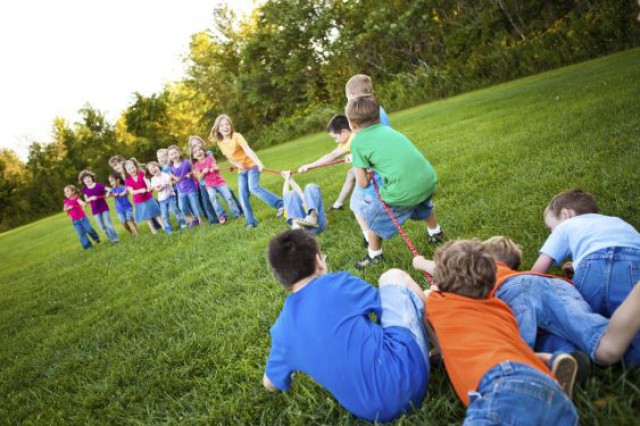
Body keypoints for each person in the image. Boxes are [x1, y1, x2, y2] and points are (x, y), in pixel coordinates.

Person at [263, 229, 429, 422]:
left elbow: (269, 383)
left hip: (373, 413)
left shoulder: (281, 330)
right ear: (318, 261)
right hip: (410, 378)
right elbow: (384, 304)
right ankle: (440, 340)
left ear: (282, 279)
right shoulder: (339, 283)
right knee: (392, 278)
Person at [414, 240, 578, 424]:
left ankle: (550, 361)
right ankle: (549, 361)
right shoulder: (501, 308)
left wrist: (422, 268)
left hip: (501, 383)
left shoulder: (438, 302)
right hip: (550, 389)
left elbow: (423, 299)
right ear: (493, 280)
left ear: (440, 282)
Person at [483, 236, 640, 366]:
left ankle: (522, 370)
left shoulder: (483, 271)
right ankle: (569, 356)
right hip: (558, 285)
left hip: (515, 289)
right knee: (582, 324)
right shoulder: (515, 273)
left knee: (518, 344)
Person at [347, 95, 442, 269]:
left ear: (352, 125)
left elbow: (362, 183)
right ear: (378, 116)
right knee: (419, 199)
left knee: (370, 216)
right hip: (428, 181)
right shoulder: (389, 130)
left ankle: (374, 255)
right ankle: (435, 232)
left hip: (404, 192)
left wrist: (360, 166)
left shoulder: (358, 142)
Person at [531, 189, 640, 317]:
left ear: (566, 214)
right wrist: (576, 265)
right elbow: (611, 249)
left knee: (583, 320)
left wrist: (527, 290)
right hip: (634, 263)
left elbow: (538, 269)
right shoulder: (618, 221)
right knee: (631, 320)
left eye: (550, 228)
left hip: (593, 267)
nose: (551, 233)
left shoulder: (566, 226)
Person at [210, 114, 284, 228]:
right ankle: (251, 222)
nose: (225, 127)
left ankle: (281, 204)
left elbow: (248, 150)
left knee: (253, 188)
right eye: (221, 125)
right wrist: (237, 164)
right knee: (242, 195)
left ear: (231, 125)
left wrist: (259, 163)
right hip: (241, 169)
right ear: (218, 128)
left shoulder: (237, 136)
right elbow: (229, 158)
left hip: (252, 165)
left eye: (227, 124)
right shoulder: (220, 142)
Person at [297, 115, 353, 210]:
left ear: (344, 131)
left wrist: (310, 165)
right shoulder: (347, 140)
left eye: (335, 138)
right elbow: (332, 154)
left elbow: (333, 156)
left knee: (356, 176)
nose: (336, 141)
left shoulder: (353, 138)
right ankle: (338, 205)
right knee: (352, 173)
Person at [190, 137, 242, 224]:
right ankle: (222, 216)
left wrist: (213, 169)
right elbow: (200, 178)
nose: (198, 152)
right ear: (193, 156)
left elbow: (216, 167)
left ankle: (236, 213)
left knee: (229, 197)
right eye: (195, 152)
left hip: (220, 183)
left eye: (199, 150)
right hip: (209, 185)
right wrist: (203, 172)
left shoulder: (209, 158)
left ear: (203, 150)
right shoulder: (196, 165)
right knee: (213, 197)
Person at [123, 159, 164, 234]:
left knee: (156, 213)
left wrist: (149, 187)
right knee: (147, 217)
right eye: (129, 169)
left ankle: (164, 227)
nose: (132, 170)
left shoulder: (142, 174)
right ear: (126, 171)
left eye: (133, 167)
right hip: (139, 201)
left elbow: (147, 182)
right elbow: (131, 191)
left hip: (148, 198)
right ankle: (153, 230)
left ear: (136, 167)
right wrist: (140, 191)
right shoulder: (127, 180)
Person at [167, 145, 204, 228]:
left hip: (191, 188)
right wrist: (173, 178)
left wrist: (190, 173)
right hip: (181, 191)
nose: (174, 156)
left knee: (195, 205)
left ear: (179, 153)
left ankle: (200, 220)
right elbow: (171, 176)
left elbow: (194, 170)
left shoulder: (186, 162)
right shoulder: (171, 167)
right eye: (171, 154)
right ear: (169, 157)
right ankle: (192, 219)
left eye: (175, 153)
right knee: (182, 207)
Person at [78, 170, 119, 243]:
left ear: (91, 178)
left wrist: (107, 193)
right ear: (83, 181)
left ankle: (115, 239)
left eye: (88, 177)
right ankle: (110, 237)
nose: (87, 179)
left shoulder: (98, 185)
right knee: (102, 227)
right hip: (95, 210)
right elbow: (86, 200)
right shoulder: (85, 189)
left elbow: (110, 189)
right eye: (85, 179)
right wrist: (91, 198)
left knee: (108, 224)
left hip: (104, 208)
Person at [147, 161, 186, 233]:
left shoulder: (165, 175)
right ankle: (168, 227)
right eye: (150, 169)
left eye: (154, 167)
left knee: (175, 210)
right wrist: (163, 186)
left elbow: (171, 183)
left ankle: (182, 223)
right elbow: (157, 189)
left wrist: (170, 182)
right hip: (162, 199)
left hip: (170, 196)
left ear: (158, 166)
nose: (153, 169)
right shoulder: (153, 179)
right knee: (164, 214)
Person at [63, 185, 101, 249]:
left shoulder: (76, 198)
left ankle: (96, 238)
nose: (66, 193)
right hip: (75, 221)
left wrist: (84, 204)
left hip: (83, 218)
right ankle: (88, 246)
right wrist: (68, 208)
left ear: (73, 191)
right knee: (81, 234)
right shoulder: (66, 201)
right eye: (65, 192)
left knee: (89, 229)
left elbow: (82, 203)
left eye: (67, 191)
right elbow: (65, 212)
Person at [107, 172, 139, 237]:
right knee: (124, 223)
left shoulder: (124, 187)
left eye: (112, 181)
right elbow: (108, 195)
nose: (111, 183)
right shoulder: (113, 189)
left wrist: (124, 192)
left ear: (118, 180)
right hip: (119, 210)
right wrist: (110, 193)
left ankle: (137, 235)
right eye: (110, 182)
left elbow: (127, 192)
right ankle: (131, 232)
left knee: (129, 220)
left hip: (128, 207)